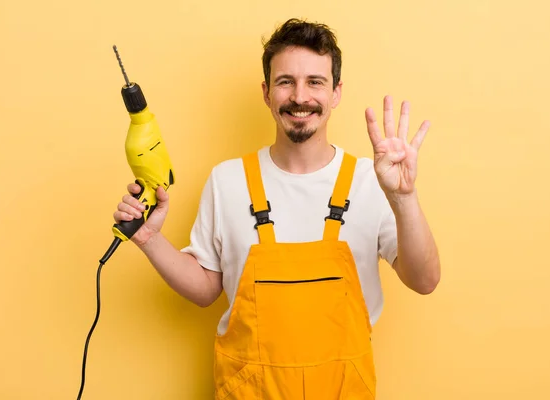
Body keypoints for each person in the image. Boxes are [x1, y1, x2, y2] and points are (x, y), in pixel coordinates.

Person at [113, 18, 440, 399]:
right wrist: (150, 239)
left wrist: (403, 198)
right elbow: (206, 289)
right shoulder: (227, 181)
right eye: (286, 82)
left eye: (315, 82)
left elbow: (425, 280)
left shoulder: (373, 180)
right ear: (267, 93)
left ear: (336, 92)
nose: (300, 96)